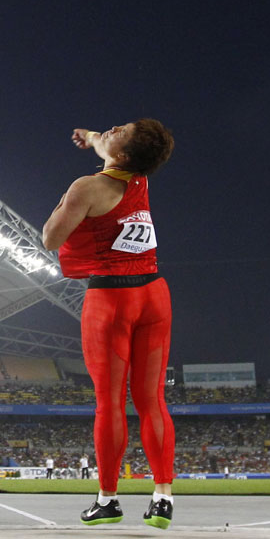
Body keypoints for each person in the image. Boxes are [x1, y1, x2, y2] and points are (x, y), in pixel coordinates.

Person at [43, 119, 175, 529]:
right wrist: (92, 137)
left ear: (122, 154)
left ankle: (107, 499)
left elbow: (50, 238)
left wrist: (66, 200)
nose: (113, 127)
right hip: (154, 294)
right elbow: (107, 147)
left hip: (111, 300)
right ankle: (163, 498)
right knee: (152, 399)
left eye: (121, 130)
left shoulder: (87, 188)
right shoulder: (140, 179)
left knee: (111, 402)